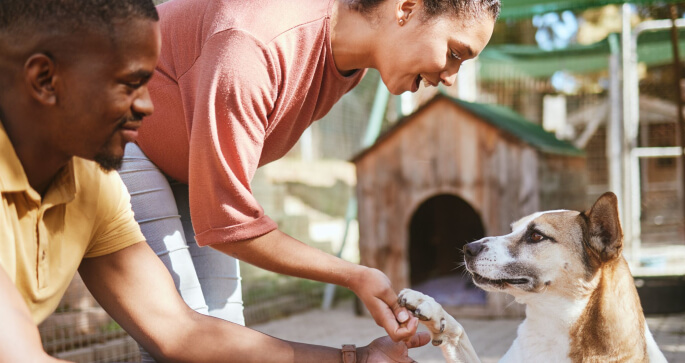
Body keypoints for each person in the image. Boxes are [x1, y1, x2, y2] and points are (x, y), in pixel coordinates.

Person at [0, 0, 430, 361]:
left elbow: (181, 332)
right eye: (130, 84)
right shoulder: (254, 41)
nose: (150, 107)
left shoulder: (93, 188)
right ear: (44, 80)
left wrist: (352, 359)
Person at [123, 0, 499, 356]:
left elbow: (221, 214)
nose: (451, 77)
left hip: (188, 170)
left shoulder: (350, 67)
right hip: (121, 135)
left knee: (221, 332)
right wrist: (354, 275)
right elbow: (226, 221)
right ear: (406, 8)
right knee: (181, 337)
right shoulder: (254, 43)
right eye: (454, 53)